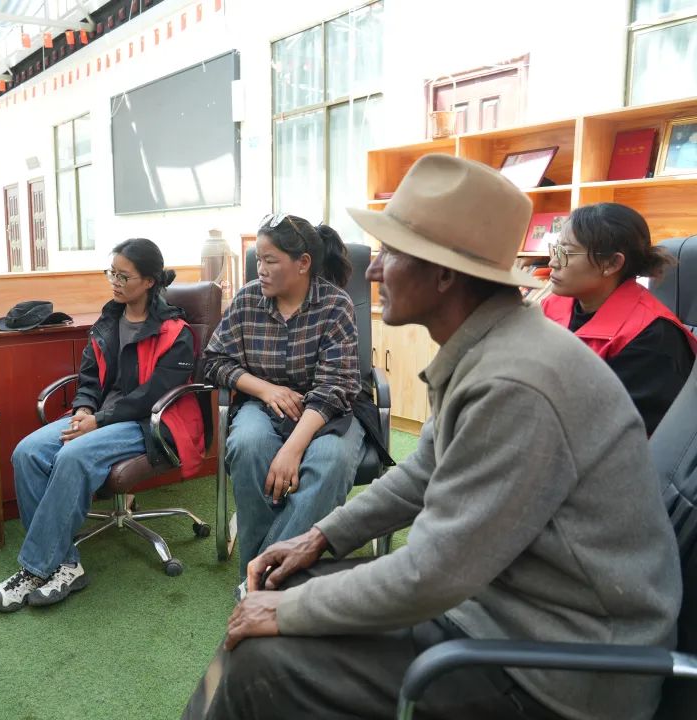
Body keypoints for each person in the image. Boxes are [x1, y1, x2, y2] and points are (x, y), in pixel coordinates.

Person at [183, 155, 681, 720]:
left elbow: (435, 570)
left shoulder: (515, 383)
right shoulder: (491, 348)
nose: (373, 271)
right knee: (292, 585)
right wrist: (319, 537)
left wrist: (285, 613)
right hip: (502, 609)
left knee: (261, 656)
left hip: (558, 668)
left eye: (391, 253)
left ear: (444, 275)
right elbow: (421, 473)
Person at [0, 238, 204, 612]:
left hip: (149, 421)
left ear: (150, 281)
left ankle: (34, 569)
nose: (115, 282)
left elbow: (151, 396)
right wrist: (84, 408)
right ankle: (66, 565)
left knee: (72, 456)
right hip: (99, 417)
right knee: (27, 452)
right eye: (111, 273)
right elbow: (88, 377)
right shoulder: (108, 321)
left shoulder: (176, 333)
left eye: (124, 276)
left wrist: (97, 421)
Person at [204, 215, 380, 579]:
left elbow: (334, 388)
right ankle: (273, 578)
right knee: (249, 445)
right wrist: (266, 389)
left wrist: (291, 450)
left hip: (331, 411)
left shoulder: (336, 304)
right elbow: (214, 360)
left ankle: (262, 577)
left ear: (303, 263)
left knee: (330, 460)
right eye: (259, 260)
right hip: (261, 405)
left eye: (270, 260)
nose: (261, 269)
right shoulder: (248, 299)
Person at [542, 202, 696, 434]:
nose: (553, 262)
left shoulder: (652, 338)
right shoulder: (555, 304)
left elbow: (623, 434)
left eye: (567, 253)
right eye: (556, 249)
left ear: (612, 263)